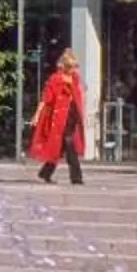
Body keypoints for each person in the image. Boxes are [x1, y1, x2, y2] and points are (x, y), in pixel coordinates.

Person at [30, 47, 86, 184]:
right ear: (64, 66)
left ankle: (45, 172)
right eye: (71, 66)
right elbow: (45, 99)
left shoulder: (75, 79)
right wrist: (36, 115)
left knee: (60, 146)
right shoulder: (55, 80)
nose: (74, 69)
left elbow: (78, 95)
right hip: (60, 118)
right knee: (68, 144)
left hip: (72, 116)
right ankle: (76, 177)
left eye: (75, 66)